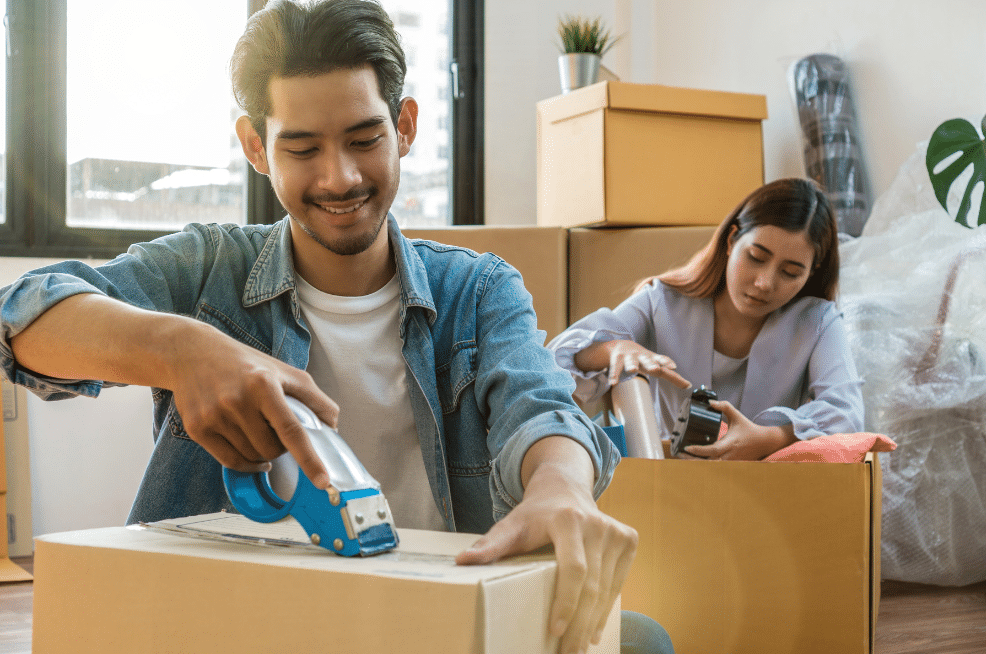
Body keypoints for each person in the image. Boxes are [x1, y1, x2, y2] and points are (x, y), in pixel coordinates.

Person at [0, 1, 674, 652]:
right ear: (256, 147)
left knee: (640, 640)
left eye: (364, 139)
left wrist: (560, 487)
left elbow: (540, 407)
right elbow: (24, 314)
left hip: (428, 615)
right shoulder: (208, 271)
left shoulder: (478, 288)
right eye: (302, 148)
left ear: (405, 126)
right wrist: (180, 349)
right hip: (239, 619)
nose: (340, 177)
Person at [548, 178, 864, 461]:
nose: (765, 282)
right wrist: (613, 349)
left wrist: (769, 438)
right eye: (756, 257)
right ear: (731, 242)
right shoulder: (663, 301)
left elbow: (846, 412)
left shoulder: (818, 321)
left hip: (765, 492)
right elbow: (553, 366)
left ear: (811, 273)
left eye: (791, 272)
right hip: (666, 486)